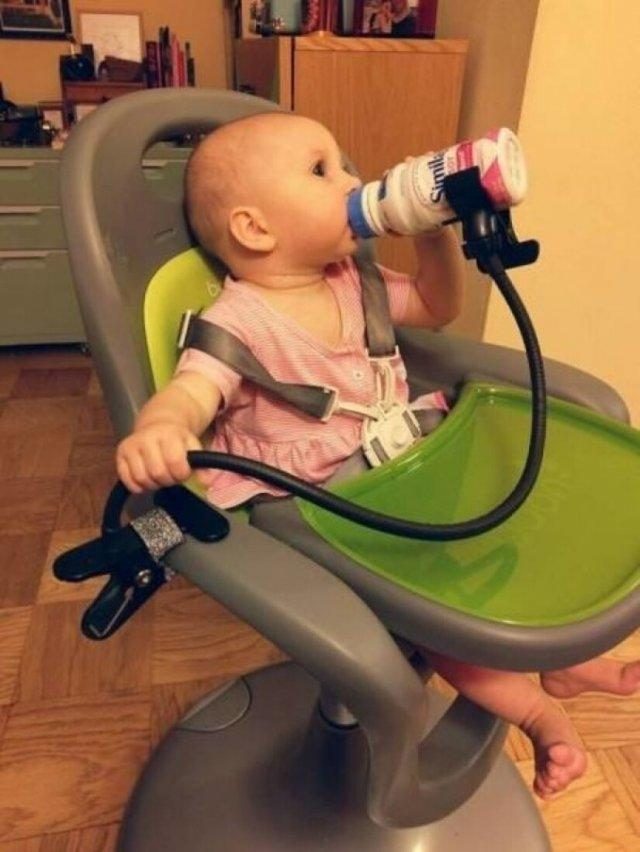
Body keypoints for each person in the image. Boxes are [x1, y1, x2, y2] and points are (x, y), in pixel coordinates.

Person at [116, 111, 640, 799]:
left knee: (503, 534)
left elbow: (434, 305)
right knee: (440, 611)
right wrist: (162, 428)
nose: (351, 181)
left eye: (343, 164)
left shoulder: (351, 278)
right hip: (331, 506)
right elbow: (192, 391)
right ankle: (539, 713)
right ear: (255, 229)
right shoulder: (237, 320)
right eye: (321, 170)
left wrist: (431, 235)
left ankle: (563, 660)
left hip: (410, 466)